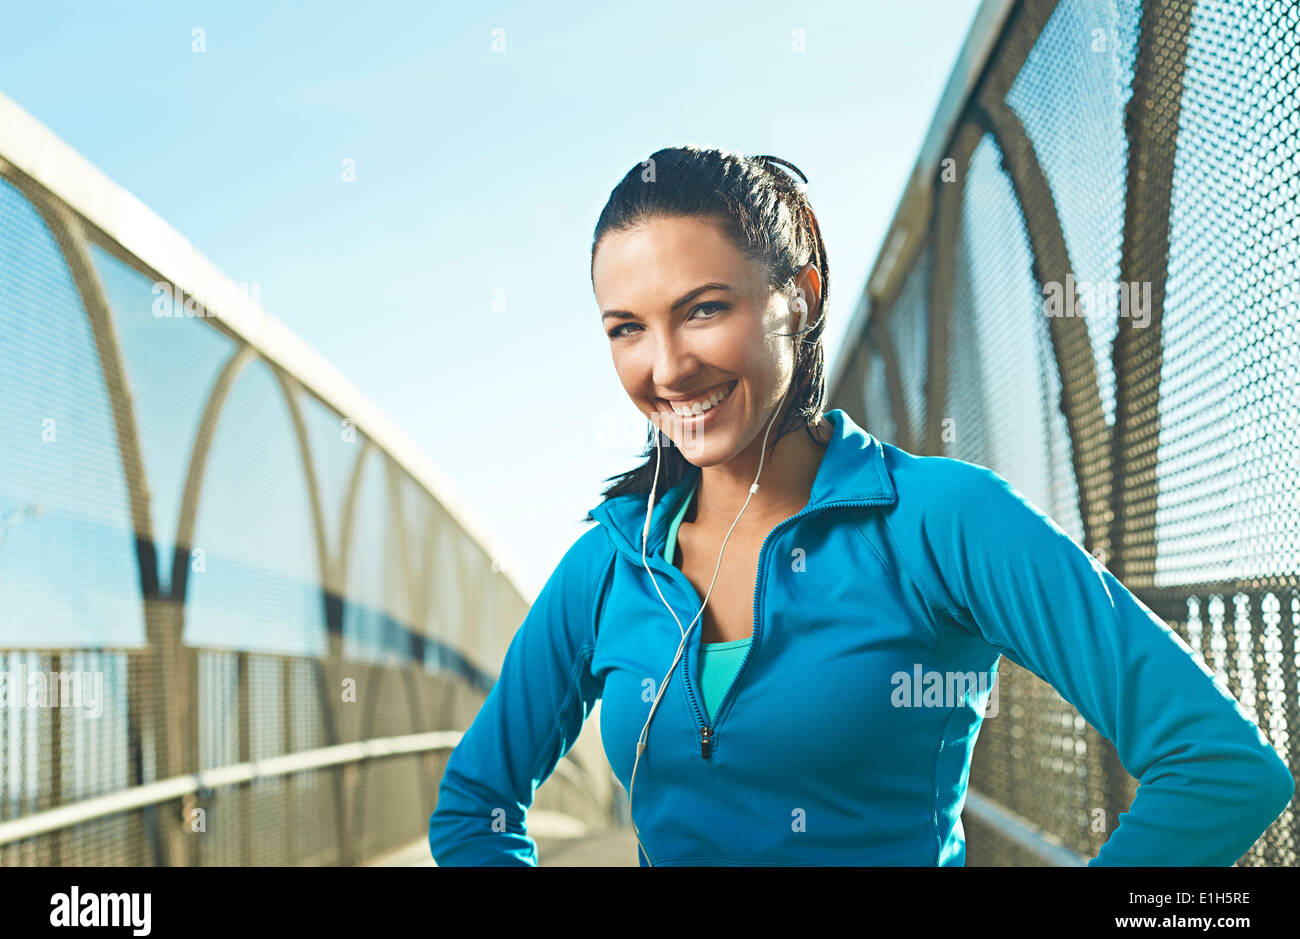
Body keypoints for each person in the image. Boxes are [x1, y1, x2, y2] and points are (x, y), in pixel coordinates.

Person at [427, 146, 1294, 866]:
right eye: (627, 327)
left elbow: (1221, 768)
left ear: (797, 298)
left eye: (703, 311)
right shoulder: (607, 567)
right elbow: (475, 806)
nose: (666, 368)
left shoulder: (940, 522)